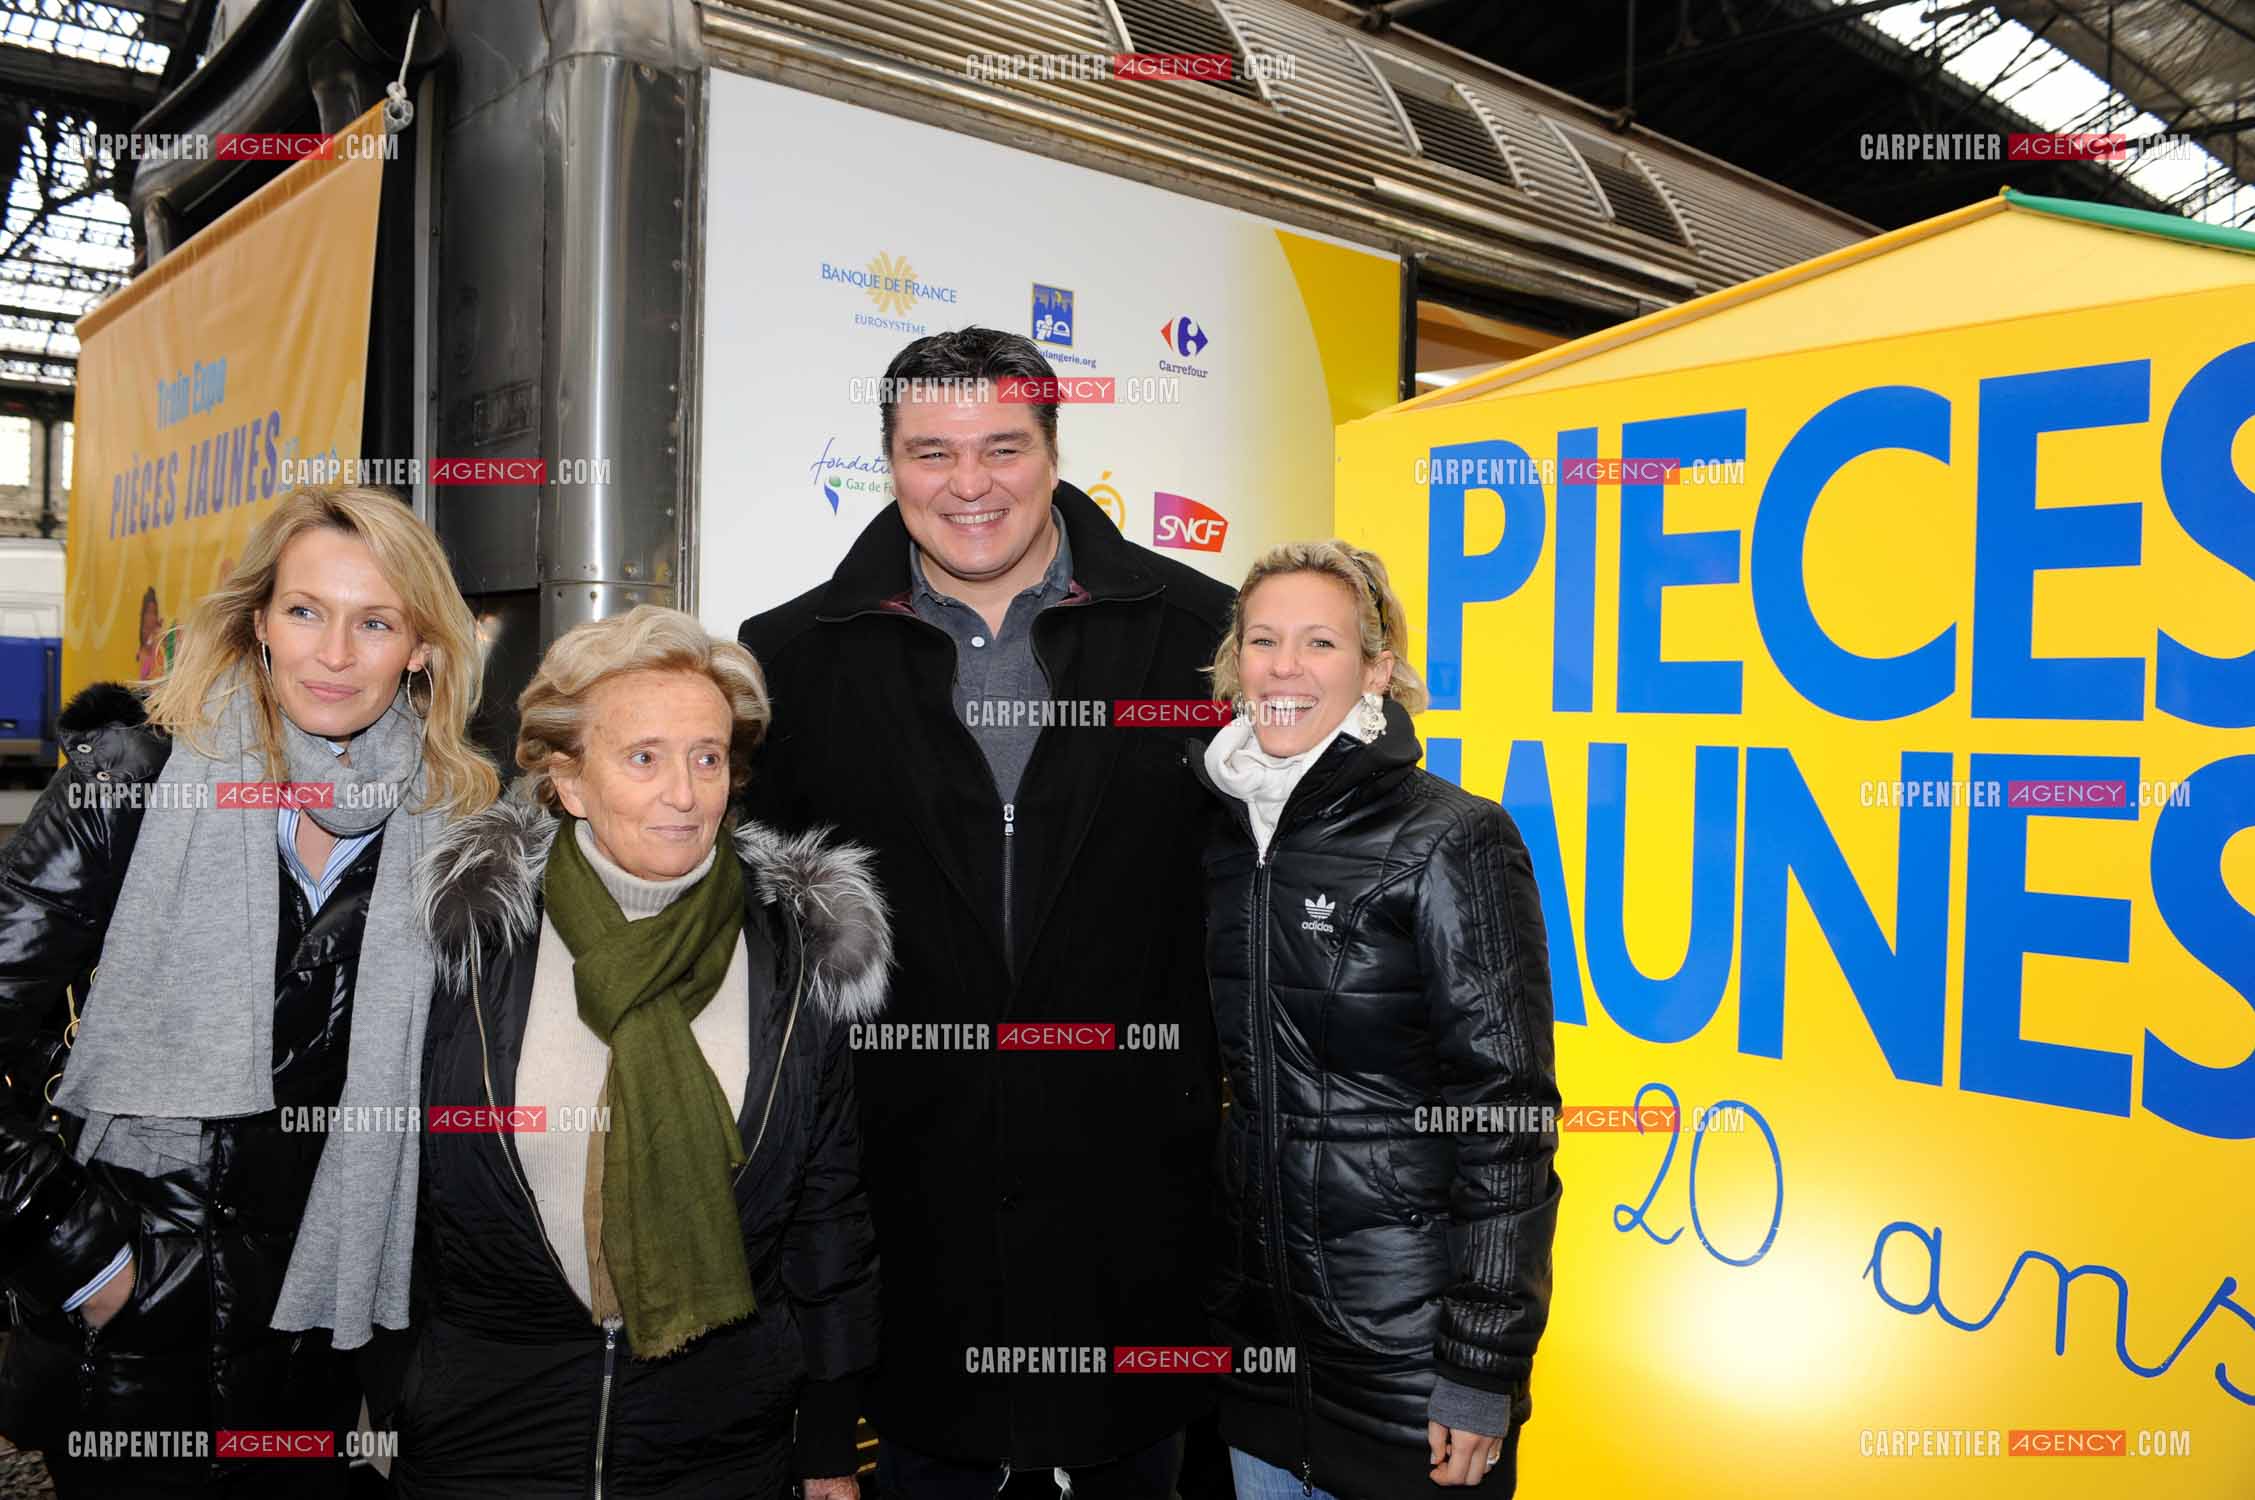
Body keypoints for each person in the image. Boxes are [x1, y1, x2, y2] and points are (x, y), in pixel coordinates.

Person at [739, 327, 1234, 1497]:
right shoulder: (791, 659)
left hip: (1139, 1246)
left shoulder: (1202, 636)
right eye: (931, 453)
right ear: (889, 463)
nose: (969, 484)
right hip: (906, 1254)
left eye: (1002, 447)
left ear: (1056, 451)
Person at [0, 485, 499, 1496]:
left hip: (324, 1335)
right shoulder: (132, 779)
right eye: (306, 611)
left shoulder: (457, 828)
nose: (333, 653)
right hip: (132, 1333)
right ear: (258, 620)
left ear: (423, 648)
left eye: (375, 622)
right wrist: (95, 1266)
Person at [393, 605, 888, 1499]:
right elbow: (392, 1187)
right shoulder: (473, 943)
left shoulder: (794, 952)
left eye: (706, 757)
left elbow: (827, 1210)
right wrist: (391, 1395)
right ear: (570, 781)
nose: (685, 792)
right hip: (489, 1433)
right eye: (643, 757)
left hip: (718, 1441)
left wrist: (826, 1440)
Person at [1191, 542, 1561, 1499]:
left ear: (1376, 668)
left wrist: (1481, 1367)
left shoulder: (1451, 836)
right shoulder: (1221, 836)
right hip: (1262, 1362)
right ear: (1235, 662)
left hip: (1408, 1370)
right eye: (1262, 639)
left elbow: (1506, 1114)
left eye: (1320, 641)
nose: (1284, 665)